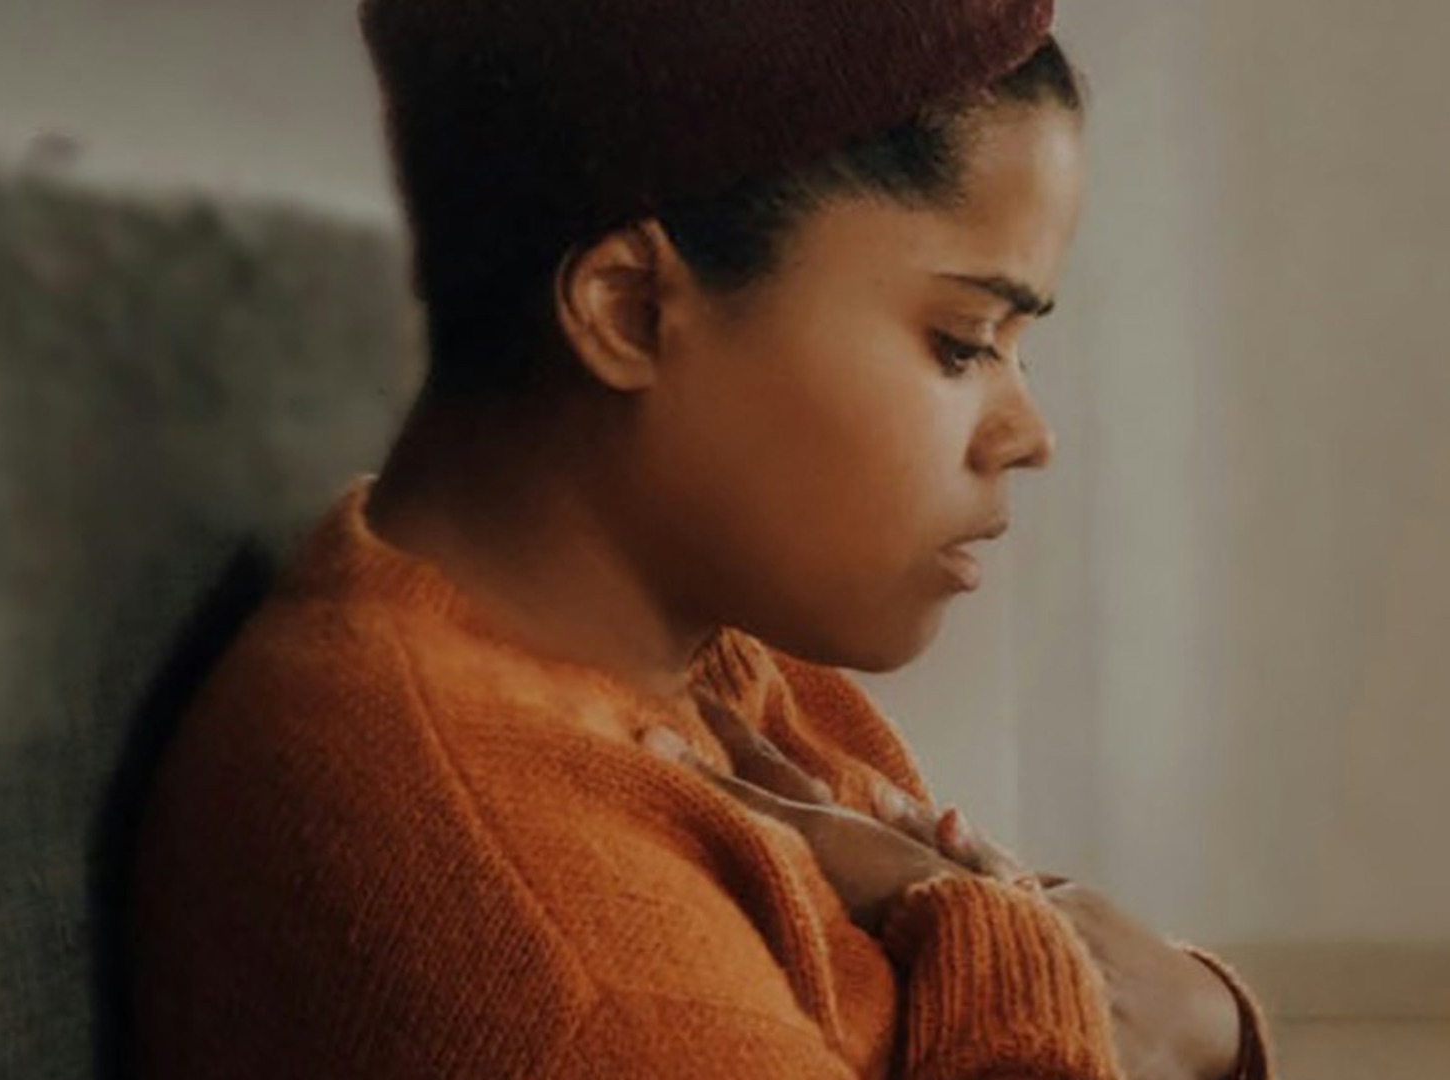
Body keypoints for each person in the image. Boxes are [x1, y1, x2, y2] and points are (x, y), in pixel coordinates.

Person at [128, 2, 1273, 1078]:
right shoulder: (577, 965)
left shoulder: (698, 668)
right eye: (964, 341)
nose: (1033, 437)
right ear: (630, 309)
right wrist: (1015, 956)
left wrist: (1199, 1023)